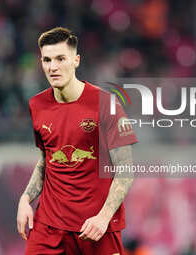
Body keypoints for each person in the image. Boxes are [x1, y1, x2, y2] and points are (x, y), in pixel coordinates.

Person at [17, 27, 138, 255]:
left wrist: (103, 218)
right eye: (47, 60)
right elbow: (46, 161)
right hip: (50, 227)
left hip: (96, 227)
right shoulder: (37, 105)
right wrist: (25, 198)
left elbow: (125, 170)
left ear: (76, 60)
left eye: (61, 59)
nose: (53, 67)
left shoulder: (106, 104)